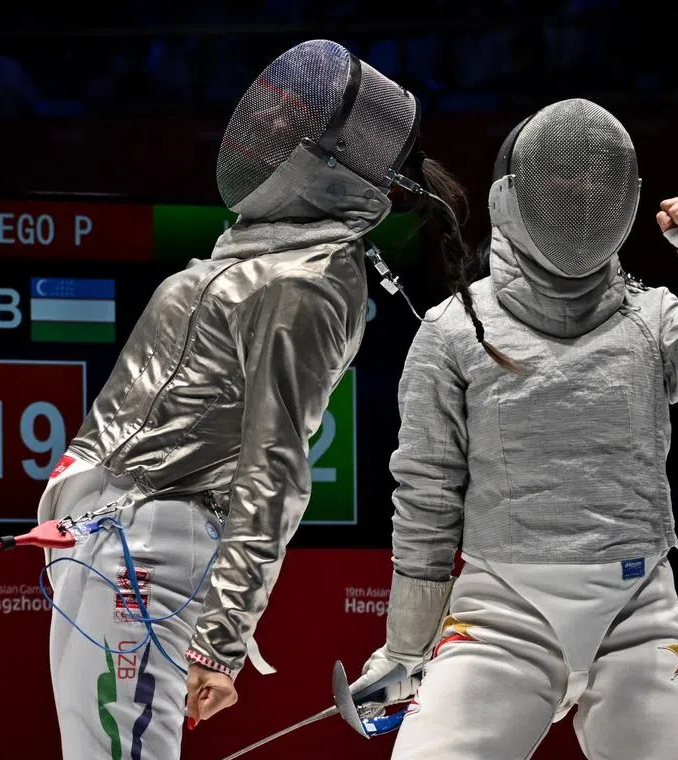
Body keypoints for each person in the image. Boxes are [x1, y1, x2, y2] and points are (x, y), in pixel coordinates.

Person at [34, 39, 468, 760]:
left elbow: (275, 469)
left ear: (336, 155)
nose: (266, 126)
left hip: (152, 548)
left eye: (292, 121)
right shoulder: (248, 250)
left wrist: (221, 637)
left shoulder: (313, 280)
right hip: (96, 540)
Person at [353, 98, 678, 759]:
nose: (579, 195)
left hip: (637, 615)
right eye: (561, 179)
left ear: (623, 200)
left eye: (595, 182)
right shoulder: (455, 331)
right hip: (501, 616)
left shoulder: (651, 319)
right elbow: (427, 499)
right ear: (511, 197)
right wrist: (405, 649)